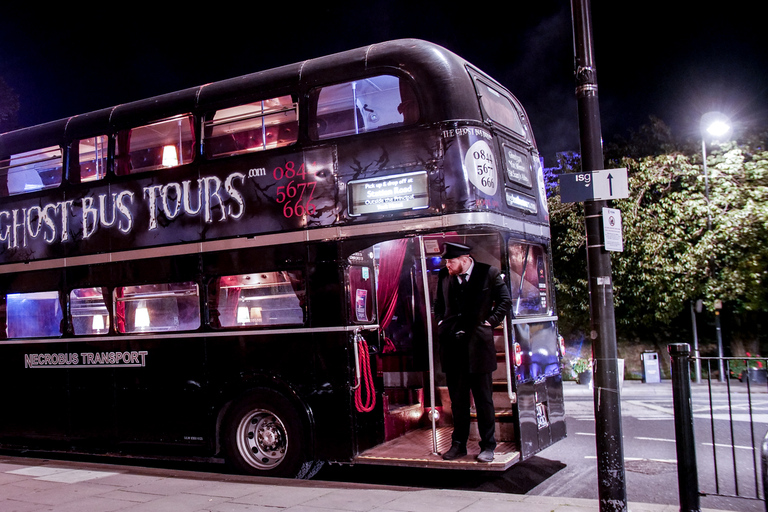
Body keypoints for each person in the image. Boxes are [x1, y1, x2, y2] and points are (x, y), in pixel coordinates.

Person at [434, 242, 512, 463]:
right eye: (447, 262)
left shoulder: (489, 273)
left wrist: (491, 321)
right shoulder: (443, 276)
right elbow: (439, 303)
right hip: (452, 346)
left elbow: (505, 301)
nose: (447, 265)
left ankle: (488, 446)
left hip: (478, 346)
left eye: (451, 261)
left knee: (483, 400)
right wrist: (441, 321)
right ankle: (458, 445)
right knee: (458, 401)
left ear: (465, 259)